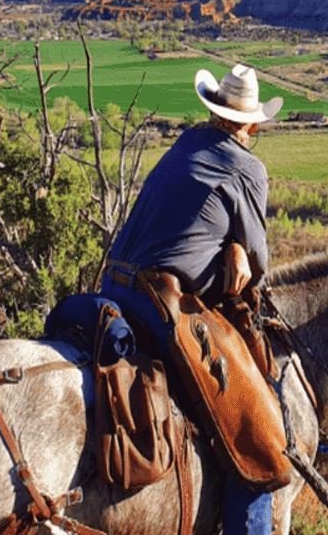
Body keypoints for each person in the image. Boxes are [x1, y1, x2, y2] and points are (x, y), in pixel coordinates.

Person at [100, 63, 284, 535]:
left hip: (111, 288)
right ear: (252, 125)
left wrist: (230, 245)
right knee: (253, 431)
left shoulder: (184, 144)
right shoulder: (248, 166)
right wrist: (241, 248)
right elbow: (259, 265)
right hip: (159, 303)